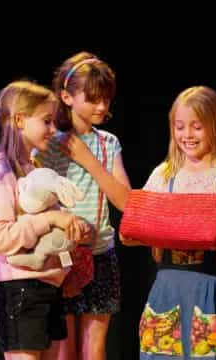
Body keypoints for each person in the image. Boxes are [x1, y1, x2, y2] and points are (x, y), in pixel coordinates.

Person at [66, 86, 216, 359]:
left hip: (211, 285)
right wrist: (141, 235)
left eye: (197, 127)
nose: (187, 135)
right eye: (180, 126)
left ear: (215, 126)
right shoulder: (164, 175)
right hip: (168, 286)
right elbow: (133, 227)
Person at [0, 80, 91, 360]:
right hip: (20, 290)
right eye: (47, 121)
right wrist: (51, 217)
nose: (53, 129)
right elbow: (0, 240)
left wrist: (68, 263)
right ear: (19, 120)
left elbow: (54, 236)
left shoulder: (38, 170)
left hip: (48, 289)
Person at [35, 51, 131, 360]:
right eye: (93, 99)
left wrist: (87, 160)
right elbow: (35, 197)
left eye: (106, 99)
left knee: (95, 348)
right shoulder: (49, 143)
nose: (102, 106)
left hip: (101, 253)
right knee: (64, 348)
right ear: (66, 96)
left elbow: (126, 201)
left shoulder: (108, 143)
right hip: (62, 256)